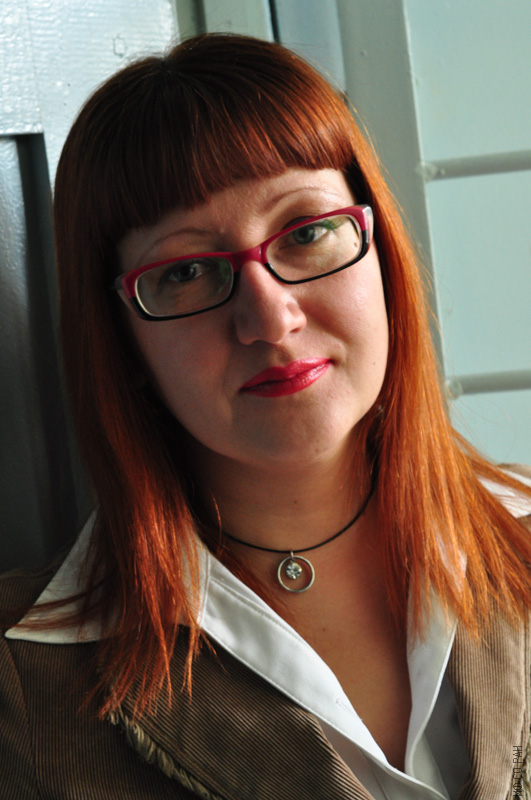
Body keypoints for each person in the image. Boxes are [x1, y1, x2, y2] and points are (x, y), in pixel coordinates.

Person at [1, 32, 530, 800]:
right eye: (186, 270)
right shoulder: (23, 685)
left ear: (379, 249)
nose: (269, 318)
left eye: (307, 232)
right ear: (120, 337)